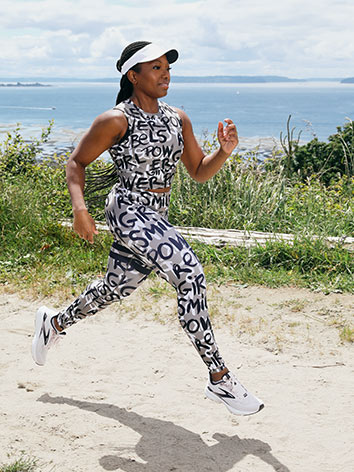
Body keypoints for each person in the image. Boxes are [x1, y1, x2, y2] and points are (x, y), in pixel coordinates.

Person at [31, 41, 264, 416]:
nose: (165, 72)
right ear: (132, 75)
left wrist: (223, 152)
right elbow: (76, 163)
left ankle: (54, 323)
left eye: (166, 66)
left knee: (114, 288)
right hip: (127, 209)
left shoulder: (178, 118)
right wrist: (80, 209)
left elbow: (198, 172)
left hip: (157, 215)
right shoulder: (116, 119)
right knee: (189, 271)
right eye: (154, 67)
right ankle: (219, 378)